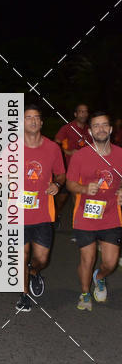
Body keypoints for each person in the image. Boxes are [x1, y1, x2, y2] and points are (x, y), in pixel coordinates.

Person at [66, 111, 122, 310]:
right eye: (96, 125)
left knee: (111, 262)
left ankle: (100, 277)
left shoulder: (120, 154)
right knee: (87, 258)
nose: (101, 129)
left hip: (111, 216)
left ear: (111, 129)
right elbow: (70, 183)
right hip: (86, 216)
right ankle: (85, 293)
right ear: (90, 131)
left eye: (104, 125)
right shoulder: (80, 156)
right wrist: (83, 188)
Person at [16, 105, 65, 312]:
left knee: (42, 259)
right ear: (22, 122)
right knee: (22, 256)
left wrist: (57, 184)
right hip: (17, 213)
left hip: (43, 213)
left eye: (36, 117)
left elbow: (61, 174)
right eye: (28, 117)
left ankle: (34, 272)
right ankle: (24, 294)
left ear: (42, 122)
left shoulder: (53, 148)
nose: (33, 121)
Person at [54, 104, 90, 224]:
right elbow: (56, 144)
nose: (83, 114)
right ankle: (56, 215)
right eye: (81, 111)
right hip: (67, 169)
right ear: (75, 114)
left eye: (85, 111)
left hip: (84, 171)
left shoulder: (89, 130)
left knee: (78, 197)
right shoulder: (67, 128)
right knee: (62, 199)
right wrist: (69, 152)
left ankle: (80, 223)